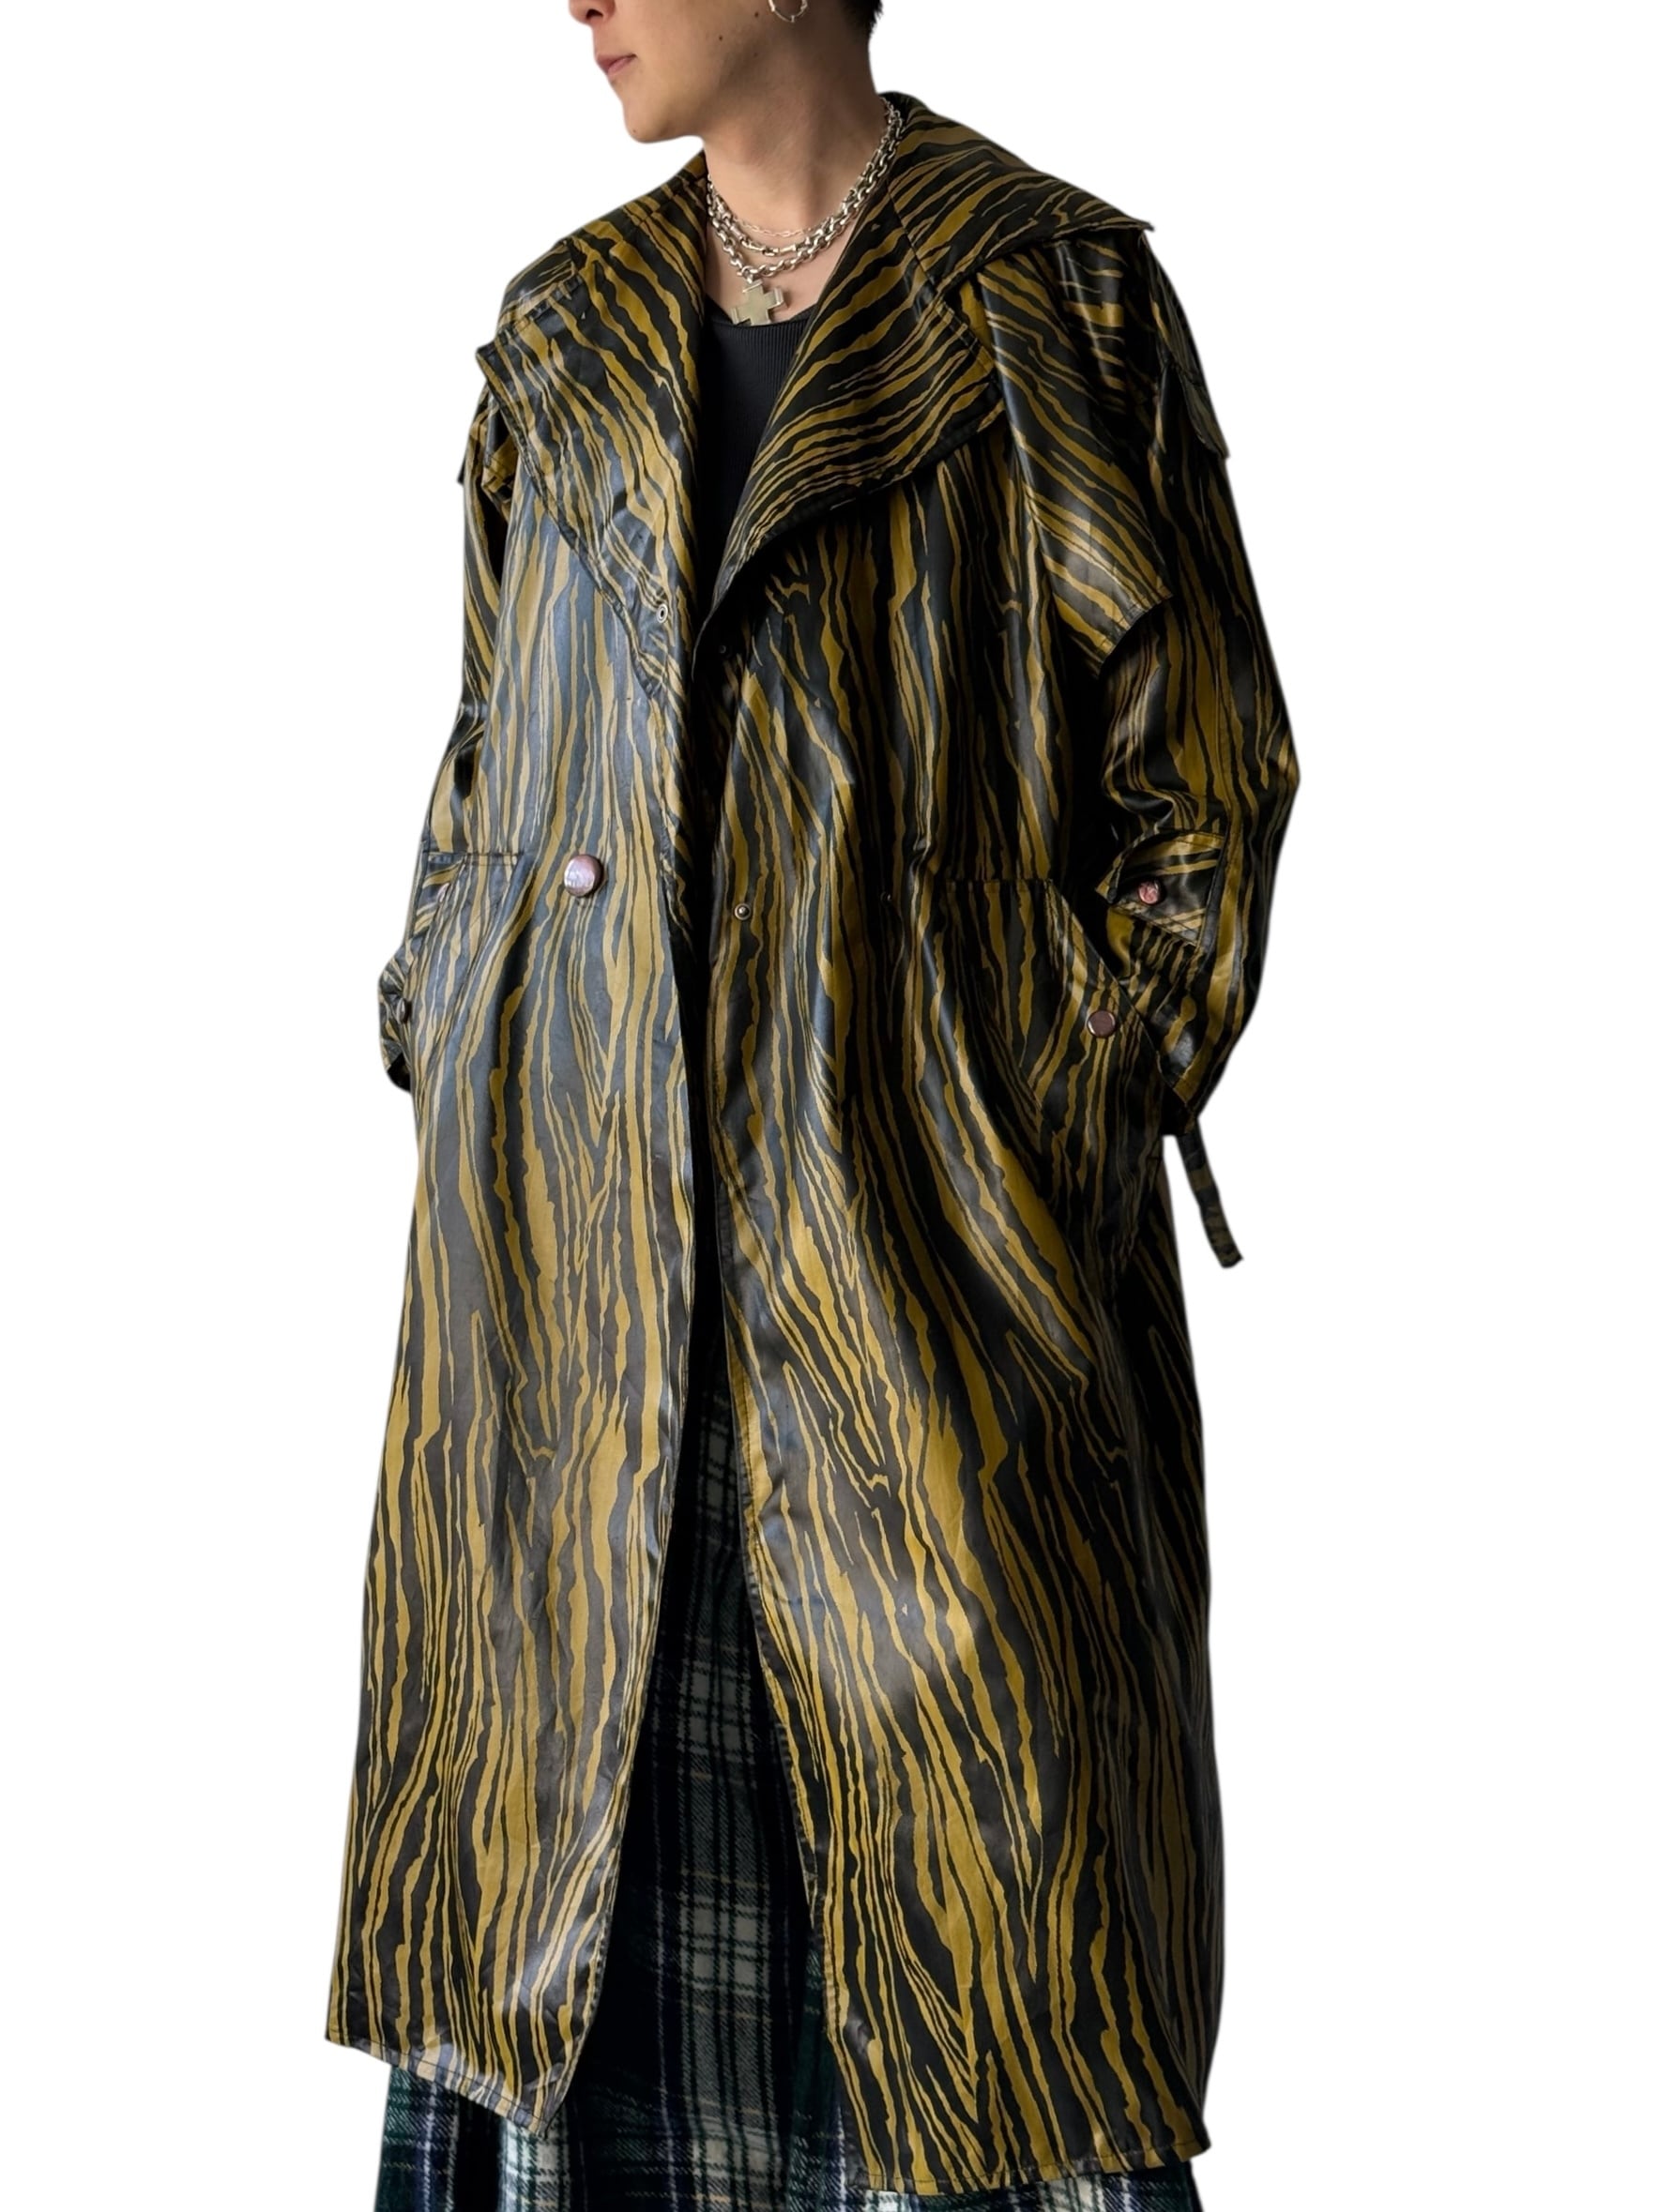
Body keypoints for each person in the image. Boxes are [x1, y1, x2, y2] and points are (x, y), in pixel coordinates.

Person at [328, 3, 1300, 2206]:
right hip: (569, 1339)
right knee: (553, 1964)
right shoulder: (561, 331)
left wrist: (1008, 1117)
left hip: (921, 1330)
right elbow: (486, 756)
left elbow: (1201, 797)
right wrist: (450, 1010)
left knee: (985, 1989)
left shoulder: (1044, 298)